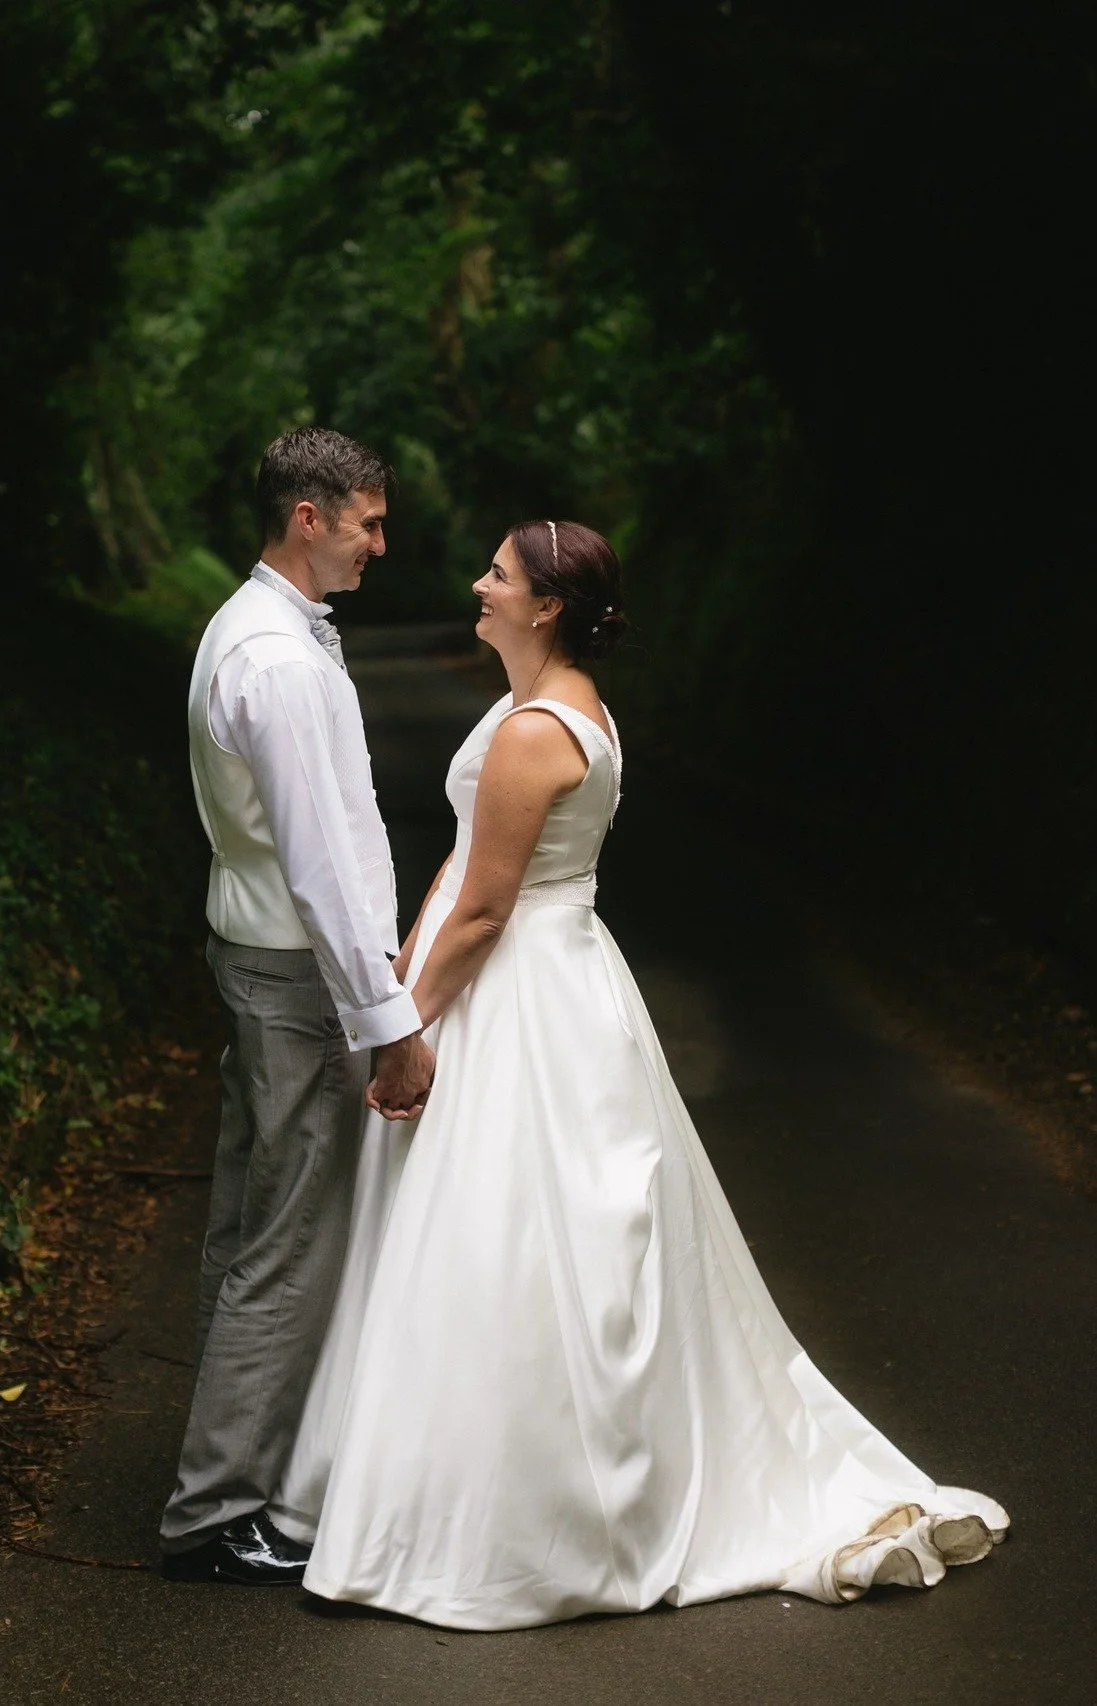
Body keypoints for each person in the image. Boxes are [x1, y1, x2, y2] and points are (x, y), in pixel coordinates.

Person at [269, 518, 1009, 1629]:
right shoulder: (553, 709)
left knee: (516, 1236)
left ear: (547, 605)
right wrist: (395, 971)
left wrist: (404, 1023)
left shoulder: (535, 731)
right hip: (542, 975)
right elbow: (458, 872)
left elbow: (484, 907)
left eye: (499, 575)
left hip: (521, 995)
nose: (478, 584)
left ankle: (538, 1510)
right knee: (494, 1233)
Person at [159, 427, 435, 1584]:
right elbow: (319, 862)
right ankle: (218, 1507)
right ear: (307, 519)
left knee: (246, 1224)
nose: (383, 540)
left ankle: (226, 1471)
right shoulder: (270, 660)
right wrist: (389, 1018)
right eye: (368, 520)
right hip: (295, 976)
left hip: (258, 957)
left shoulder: (265, 631)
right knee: (287, 1241)